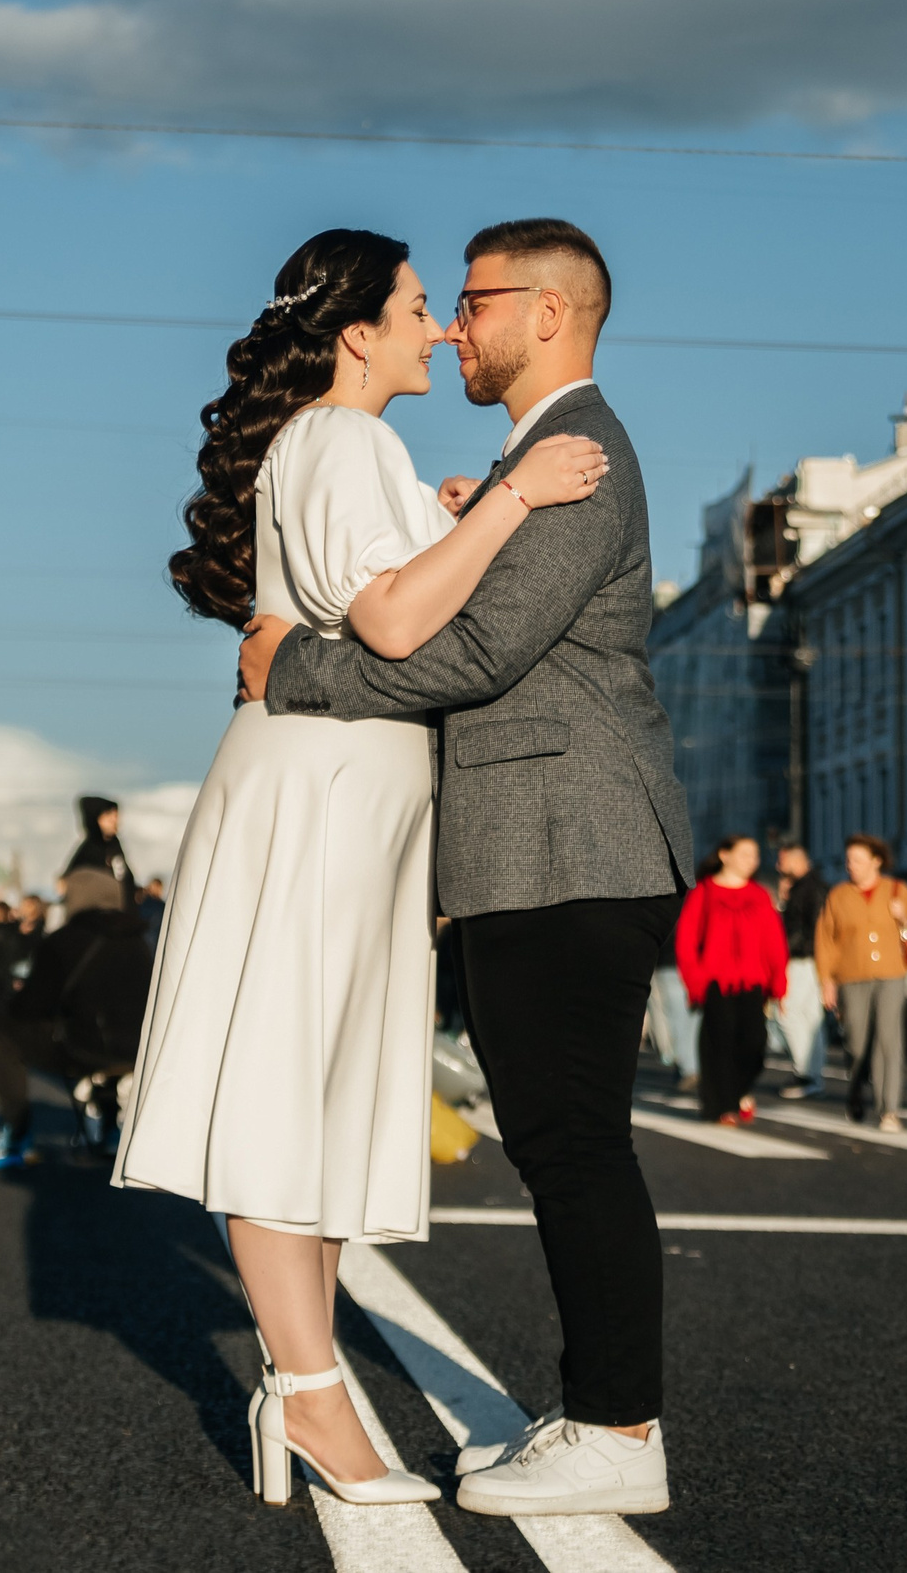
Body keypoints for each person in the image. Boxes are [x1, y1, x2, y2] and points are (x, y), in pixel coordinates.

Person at [148, 221, 674, 1516]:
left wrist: (301, 659)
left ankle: (611, 1421)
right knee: (306, 1084)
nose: (447, 324)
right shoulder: (381, 444)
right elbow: (411, 604)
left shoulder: (571, 457)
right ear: (355, 331)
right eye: (426, 304)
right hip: (384, 809)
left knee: (561, 1138)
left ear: (546, 312)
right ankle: (321, 1386)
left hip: (548, 836)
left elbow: (461, 646)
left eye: (468, 300)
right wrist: (480, 506)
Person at [0, 869, 151, 1168]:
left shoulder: (65, 940)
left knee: (5, 1034)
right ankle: (109, 1126)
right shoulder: (140, 940)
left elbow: (30, 1008)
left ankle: (17, 1130)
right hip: (139, 1047)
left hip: (86, 1047)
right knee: (108, 1037)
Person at [815, 833, 907, 1133]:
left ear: (876, 862)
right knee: (856, 1040)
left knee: (888, 1040)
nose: (850, 865)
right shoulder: (838, 895)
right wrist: (826, 981)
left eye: (857, 860)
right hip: (851, 977)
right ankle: (856, 1087)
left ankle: (888, 1109)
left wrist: (903, 918)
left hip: (891, 974)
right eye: (849, 860)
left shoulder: (896, 889)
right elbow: (826, 940)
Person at [673, 836, 788, 1124]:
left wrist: (779, 984)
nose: (753, 860)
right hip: (714, 982)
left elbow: (774, 942)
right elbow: (687, 941)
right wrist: (695, 980)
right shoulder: (703, 893)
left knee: (755, 1042)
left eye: (756, 854)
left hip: (752, 982)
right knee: (718, 1045)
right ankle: (722, 1106)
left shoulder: (760, 895)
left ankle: (740, 1092)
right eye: (746, 853)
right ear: (725, 855)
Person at [774, 844, 830, 1097]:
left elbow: (813, 928)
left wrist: (788, 948)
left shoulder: (808, 889)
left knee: (788, 1014)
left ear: (797, 861)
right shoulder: (808, 887)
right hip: (808, 959)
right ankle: (811, 1074)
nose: (778, 866)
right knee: (809, 1017)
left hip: (803, 959)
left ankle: (806, 1072)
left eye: (782, 861)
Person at [66, 796, 135, 906]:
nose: (115, 822)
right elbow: (68, 883)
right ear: (96, 819)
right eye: (109, 817)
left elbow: (125, 879)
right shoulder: (89, 850)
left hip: (121, 914)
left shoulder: (115, 847)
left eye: (116, 817)